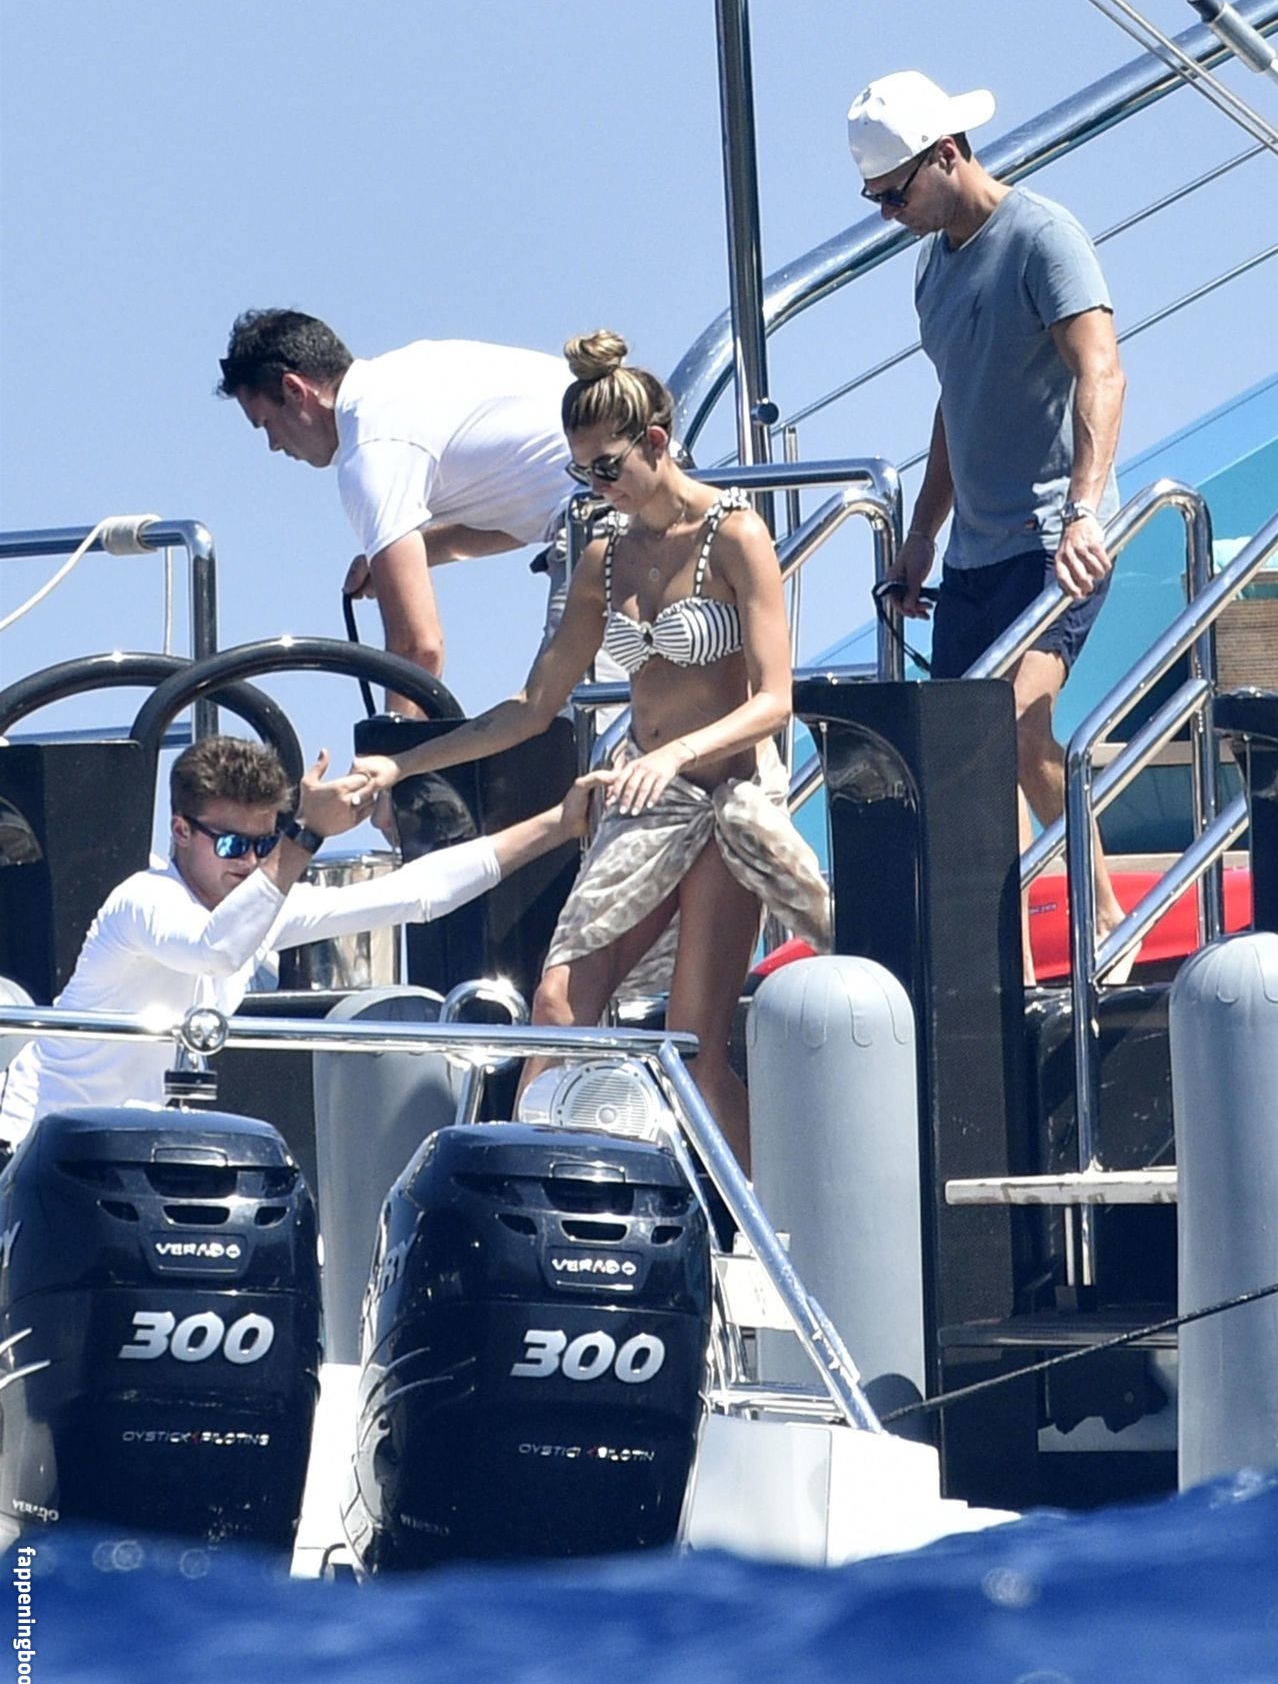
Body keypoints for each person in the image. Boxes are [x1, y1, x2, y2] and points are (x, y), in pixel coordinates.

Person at [348, 331, 831, 1170]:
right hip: (646, 808)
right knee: (558, 1006)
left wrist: (674, 755)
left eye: (607, 467)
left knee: (691, 1044)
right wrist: (406, 762)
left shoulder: (736, 534)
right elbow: (532, 707)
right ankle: (527, 1191)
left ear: (655, 442)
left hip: (726, 803)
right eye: (581, 475)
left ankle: (762, 1224)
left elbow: (773, 702)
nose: (598, 488)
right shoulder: (605, 557)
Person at [846, 69, 1130, 978]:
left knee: (1009, 725)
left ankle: (1101, 919)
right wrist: (921, 537)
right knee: (964, 750)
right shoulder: (931, 269)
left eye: (894, 194)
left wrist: (1084, 511)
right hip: (973, 553)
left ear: (946, 155)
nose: (887, 214)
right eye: (874, 200)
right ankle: (999, 956)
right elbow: (954, 405)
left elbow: (1101, 372)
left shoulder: (1044, 237)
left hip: (1056, 542)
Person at [0, 735, 591, 1143]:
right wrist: (305, 834)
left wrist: (558, 825)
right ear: (179, 830)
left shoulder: (258, 909)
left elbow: (419, 894)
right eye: (232, 845)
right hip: (35, 1143)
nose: (250, 862)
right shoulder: (142, 899)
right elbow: (215, 948)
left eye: (264, 844)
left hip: (127, 1147)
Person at [216, 310, 580, 708]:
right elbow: (523, 512)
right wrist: (420, 554)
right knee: (567, 724)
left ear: (294, 389)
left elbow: (418, 649)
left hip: (611, 518)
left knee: (568, 721)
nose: (273, 444)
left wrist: (392, 743)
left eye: (265, 423)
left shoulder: (370, 449)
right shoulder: (405, 377)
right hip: (618, 493)